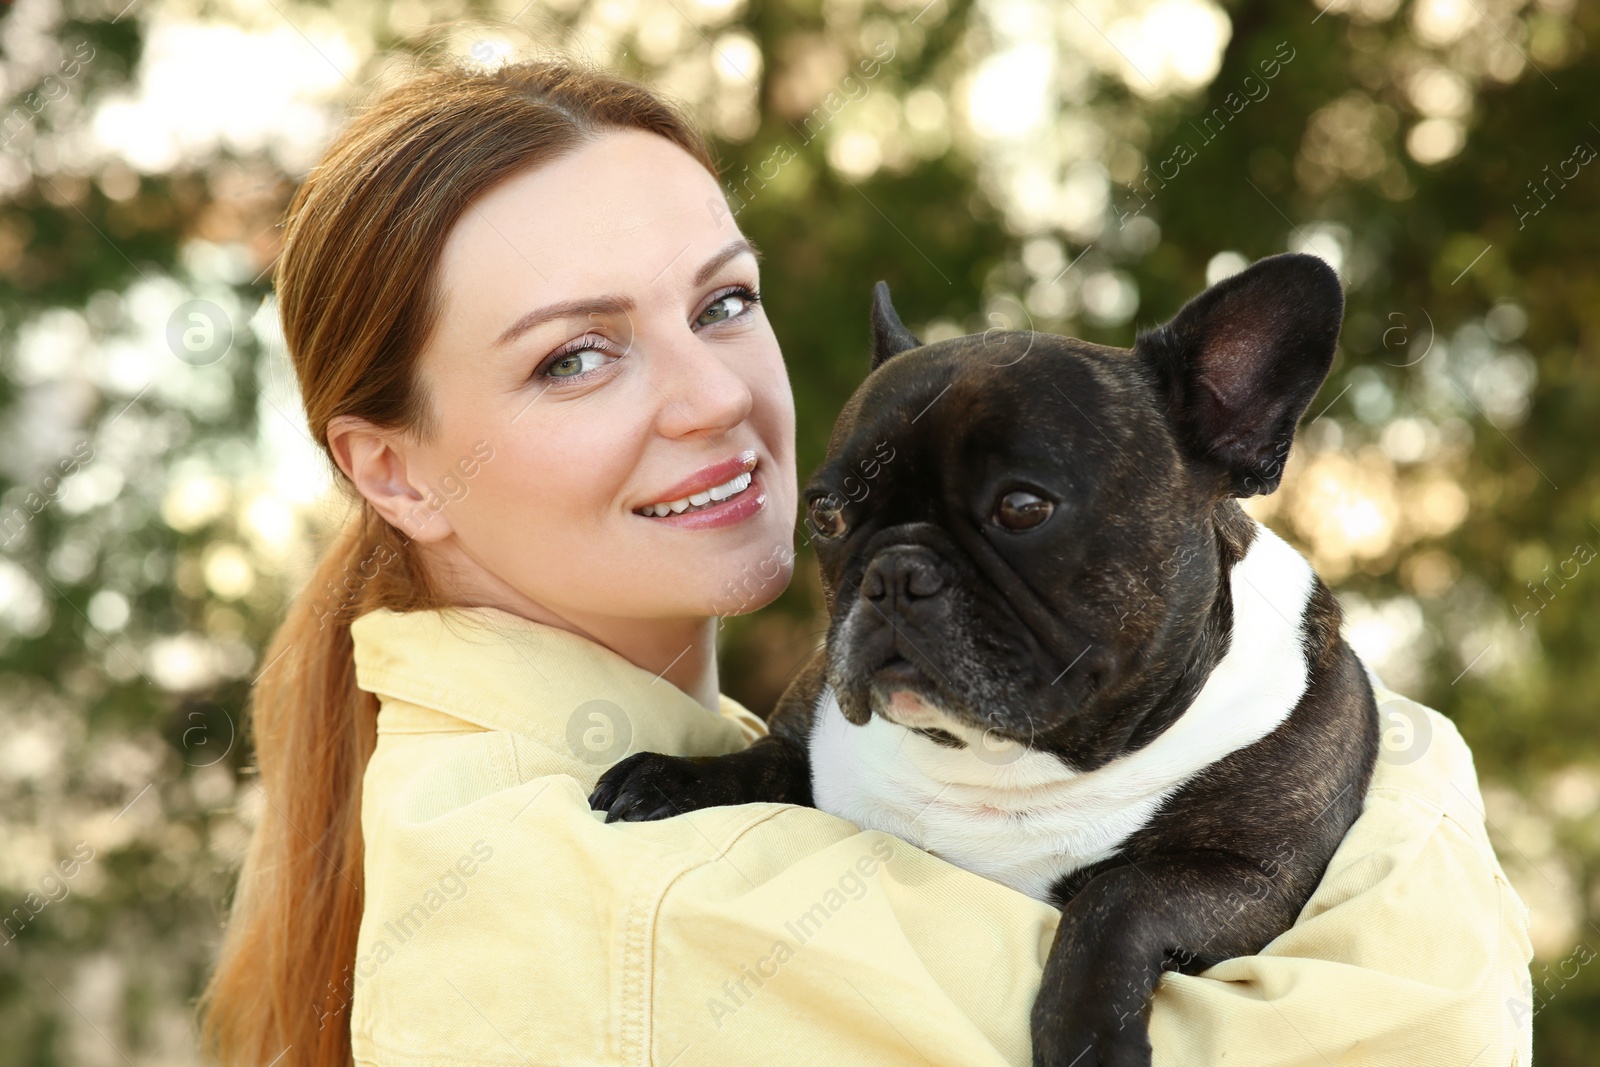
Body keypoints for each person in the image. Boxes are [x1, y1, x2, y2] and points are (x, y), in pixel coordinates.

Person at [195, 53, 1535, 1067]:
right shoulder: (658, 909)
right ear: (392, 468)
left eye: (723, 303)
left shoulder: (625, 778)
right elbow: (1417, 1028)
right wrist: (1407, 771)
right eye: (577, 355)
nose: (711, 395)